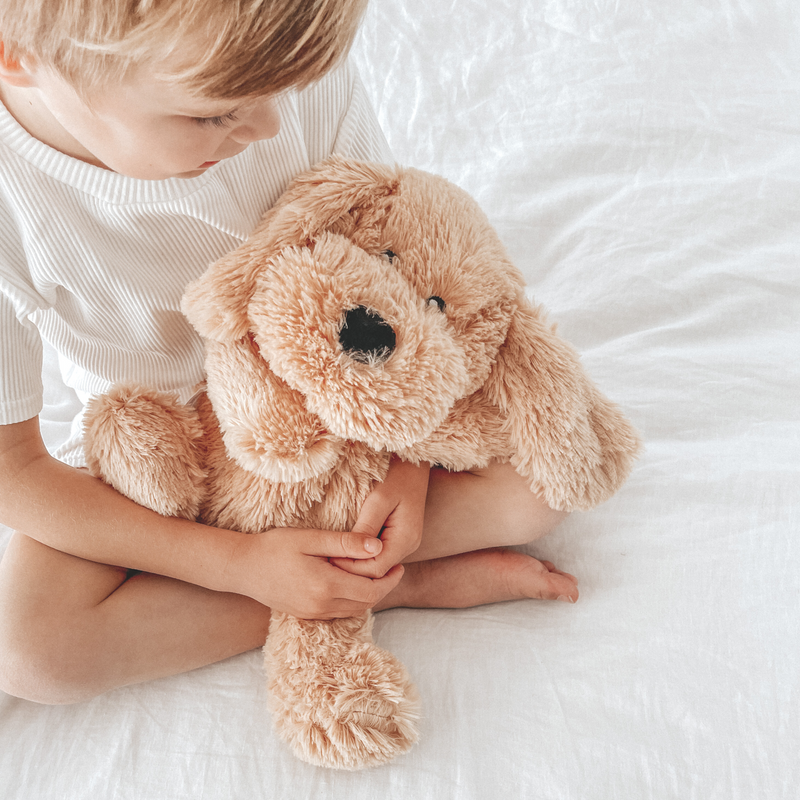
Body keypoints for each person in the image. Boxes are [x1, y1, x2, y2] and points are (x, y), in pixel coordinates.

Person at [0, 0, 576, 706]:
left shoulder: (277, 65)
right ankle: (392, 584)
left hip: (348, 405)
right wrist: (235, 565)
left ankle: (342, 575)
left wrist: (408, 459)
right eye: (213, 114)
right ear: (18, 56)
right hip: (159, 450)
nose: (270, 125)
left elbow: (392, 260)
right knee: (35, 652)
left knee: (547, 478)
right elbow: (13, 470)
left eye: (285, 89)